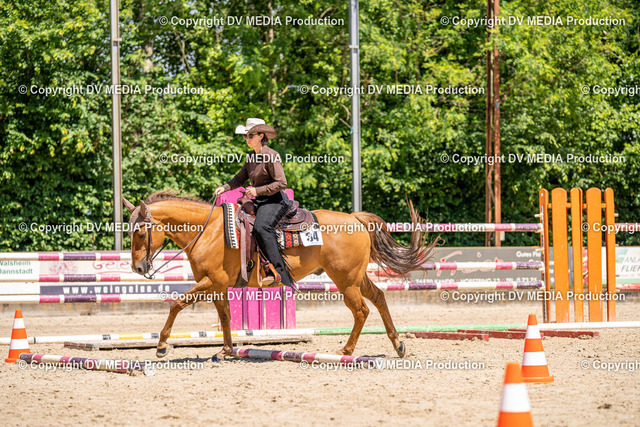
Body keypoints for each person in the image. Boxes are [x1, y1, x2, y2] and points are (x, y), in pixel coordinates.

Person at [215, 118, 295, 289]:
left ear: (261, 136)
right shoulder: (251, 157)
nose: (247, 139)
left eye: (250, 135)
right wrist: (224, 187)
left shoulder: (272, 155)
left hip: (275, 201)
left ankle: (279, 273)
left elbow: (282, 183)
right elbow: (239, 178)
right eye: (246, 136)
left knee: (261, 227)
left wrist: (257, 191)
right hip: (260, 201)